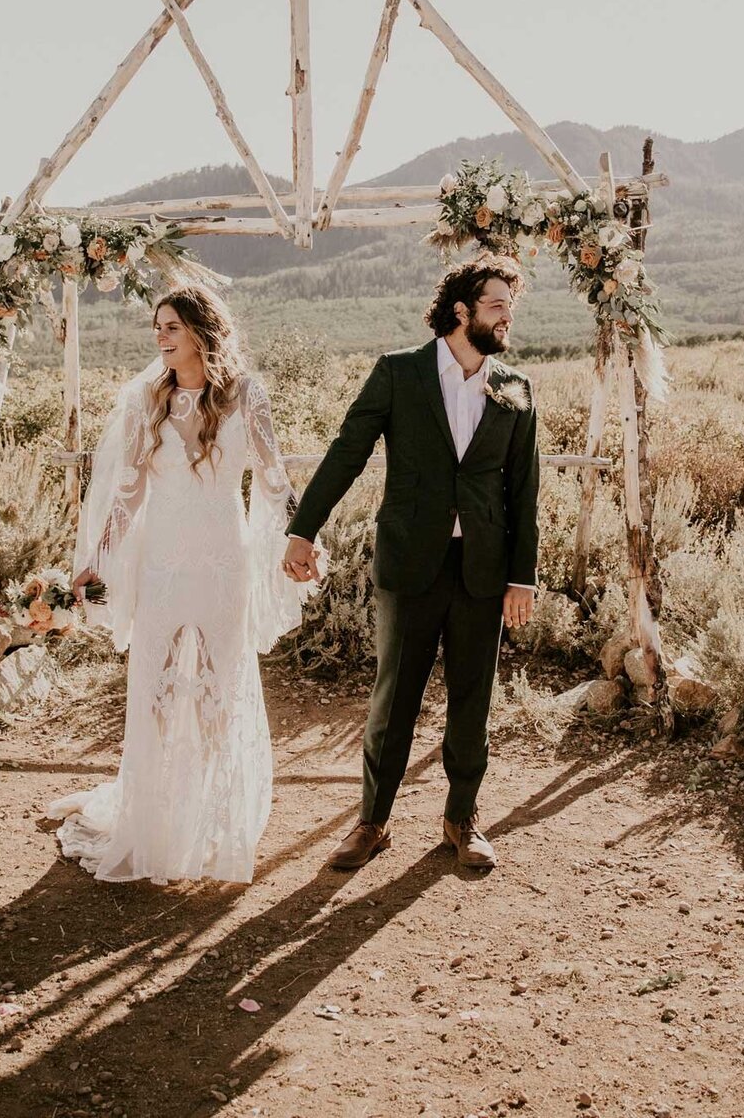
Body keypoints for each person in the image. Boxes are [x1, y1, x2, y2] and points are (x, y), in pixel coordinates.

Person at [47, 284, 321, 886]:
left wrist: (303, 536)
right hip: (164, 561)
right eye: (157, 329)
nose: (162, 339)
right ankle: (157, 821)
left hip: (225, 559)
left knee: (222, 687)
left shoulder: (248, 396)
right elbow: (128, 493)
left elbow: (274, 481)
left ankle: (218, 822)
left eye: (171, 327)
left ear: (200, 330)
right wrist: (98, 557)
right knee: (157, 690)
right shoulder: (149, 399)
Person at [283, 254, 538, 872]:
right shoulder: (400, 373)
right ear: (461, 311)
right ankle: (372, 822)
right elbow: (347, 452)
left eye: (510, 305)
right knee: (393, 699)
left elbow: (524, 490)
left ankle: (462, 819)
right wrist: (302, 529)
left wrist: (522, 577)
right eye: (497, 305)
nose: (508, 317)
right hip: (410, 565)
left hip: (481, 569)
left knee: (473, 700)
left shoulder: (516, 389)